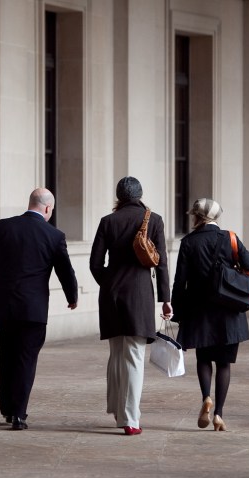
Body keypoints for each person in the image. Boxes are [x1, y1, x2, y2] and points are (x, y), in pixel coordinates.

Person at [0, 188, 78, 431]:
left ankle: (8, 409)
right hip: (33, 309)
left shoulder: (4, 227)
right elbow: (65, 270)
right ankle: (19, 413)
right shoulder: (54, 235)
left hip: (5, 307)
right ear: (48, 208)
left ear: (30, 203)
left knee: (7, 354)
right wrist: (72, 296)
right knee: (26, 359)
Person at [89, 176, 173, 436]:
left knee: (116, 354)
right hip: (139, 295)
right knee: (134, 357)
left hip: (111, 295)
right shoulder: (154, 220)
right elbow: (161, 264)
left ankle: (117, 409)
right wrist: (165, 298)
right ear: (140, 194)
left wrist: (110, 282)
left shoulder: (108, 221)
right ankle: (130, 419)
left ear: (119, 196)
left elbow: (94, 263)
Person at [170, 198, 249, 432]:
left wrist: (176, 311)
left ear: (196, 217)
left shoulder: (188, 242)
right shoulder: (230, 238)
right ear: (216, 218)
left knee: (204, 358)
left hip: (199, 310)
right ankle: (218, 413)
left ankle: (206, 397)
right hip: (229, 310)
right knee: (224, 364)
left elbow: (180, 281)